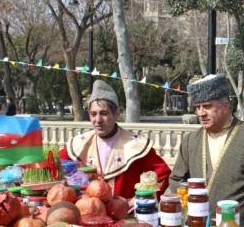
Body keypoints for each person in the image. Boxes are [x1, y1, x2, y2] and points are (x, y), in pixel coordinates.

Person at [169, 73, 244, 225]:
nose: (201, 113)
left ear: (226, 106)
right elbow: (176, 179)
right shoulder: (190, 141)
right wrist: (190, 193)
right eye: (198, 107)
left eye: (207, 106)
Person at [60, 80, 171, 212]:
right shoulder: (79, 144)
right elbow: (55, 167)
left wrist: (139, 200)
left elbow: (163, 175)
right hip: (88, 215)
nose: (98, 120)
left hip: (126, 218)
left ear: (117, 114)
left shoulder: (135, 145)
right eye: (93, 114)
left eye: (104, 113)